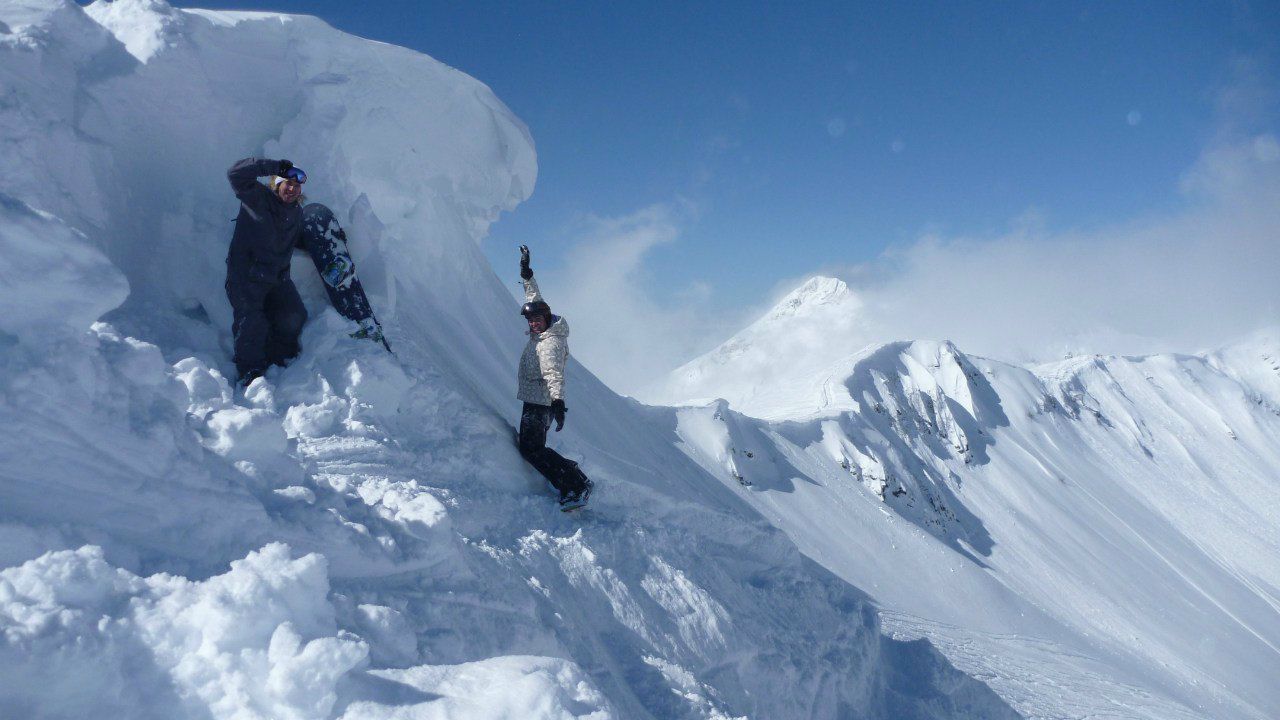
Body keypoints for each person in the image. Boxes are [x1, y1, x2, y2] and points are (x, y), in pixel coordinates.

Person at [516, 245, 593, 507]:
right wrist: (527, 276)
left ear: (547, 318)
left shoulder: (550, 344)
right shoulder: (545, 330)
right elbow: (535, 298)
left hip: (542, 401)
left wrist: (558, 403)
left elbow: (553, 374)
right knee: (532, 446)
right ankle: (574, 476)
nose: (533, 323)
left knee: (532, 449)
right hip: (536, 399)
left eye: (537, 319)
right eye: (531, 320)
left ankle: (574, 485)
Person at [225, 157, 309, 385]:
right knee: (252, 322)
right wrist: (273, 166)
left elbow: (291, 238)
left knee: (295, 315)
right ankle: (249, 373)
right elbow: (235, 174)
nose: (292, 189)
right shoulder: (257, 198)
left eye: (297, 186)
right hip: (246, 278)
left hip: (277, 280)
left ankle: (278, 359)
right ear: (277, 184)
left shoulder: (296, 212)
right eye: (287, 183)